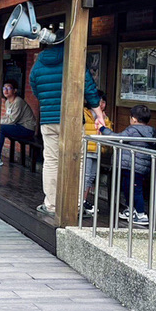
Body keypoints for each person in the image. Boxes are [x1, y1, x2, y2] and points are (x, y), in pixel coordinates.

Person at [29, 43, 104, 216]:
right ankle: (76, 205)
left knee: (51, 161)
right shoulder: (73, 59)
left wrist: (49, 104)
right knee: (77, 160)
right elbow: (89, 88)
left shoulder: (38, 63)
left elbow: (35, 89)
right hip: (72, 119)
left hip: (48, 119)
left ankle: (51, 205)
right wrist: (98, 114)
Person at [98, 104, 156, 226]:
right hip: (140, 167)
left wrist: (103, 129)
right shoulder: (153, 132)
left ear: (134, 119)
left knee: (135, 189)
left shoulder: (132, 130)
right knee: (129, 187)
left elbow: (116, 138)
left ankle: (141, 214)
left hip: (131, 166)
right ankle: (131, 209)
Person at [0, 80, 37, 167]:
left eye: (8, 88)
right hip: (18, 126)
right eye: (4, 88)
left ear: (15, 90)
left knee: (0, 128)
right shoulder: (8, 102)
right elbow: (7, 117)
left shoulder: (18, 102)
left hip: (27, 129)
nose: (5, 90)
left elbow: (12, 120)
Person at [81, 90, 112, 217]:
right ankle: (81, 200)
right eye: (99, 101)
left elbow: (109, 132)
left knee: (91, 177)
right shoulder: (84, 112)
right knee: (86, 176)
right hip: (87, 149)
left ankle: (84, 200)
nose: (102, 104)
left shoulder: (105, 117)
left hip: (97, 150)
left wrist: (105, 121)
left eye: (104, 101)